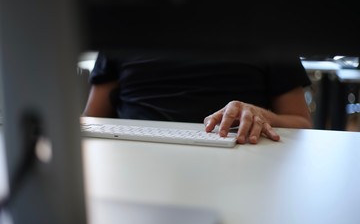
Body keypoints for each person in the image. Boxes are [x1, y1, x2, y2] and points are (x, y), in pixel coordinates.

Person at [83, 52, 312, 144]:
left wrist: (259, 114)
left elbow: (302, 123)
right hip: (133, 160)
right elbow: (91, 120)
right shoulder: (121, 22)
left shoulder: (265, 21)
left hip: (236, 159)